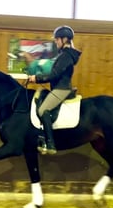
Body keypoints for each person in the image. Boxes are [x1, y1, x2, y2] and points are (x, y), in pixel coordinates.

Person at [28, 25, 82, 155]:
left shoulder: (66, 56)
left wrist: (37, 78)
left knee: (43, 110)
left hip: (61, 89)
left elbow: (54, 75)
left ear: (64, 39)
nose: (56, 42)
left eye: (57, 39)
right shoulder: (64, 54)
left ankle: (50, 143)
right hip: (58, 87)